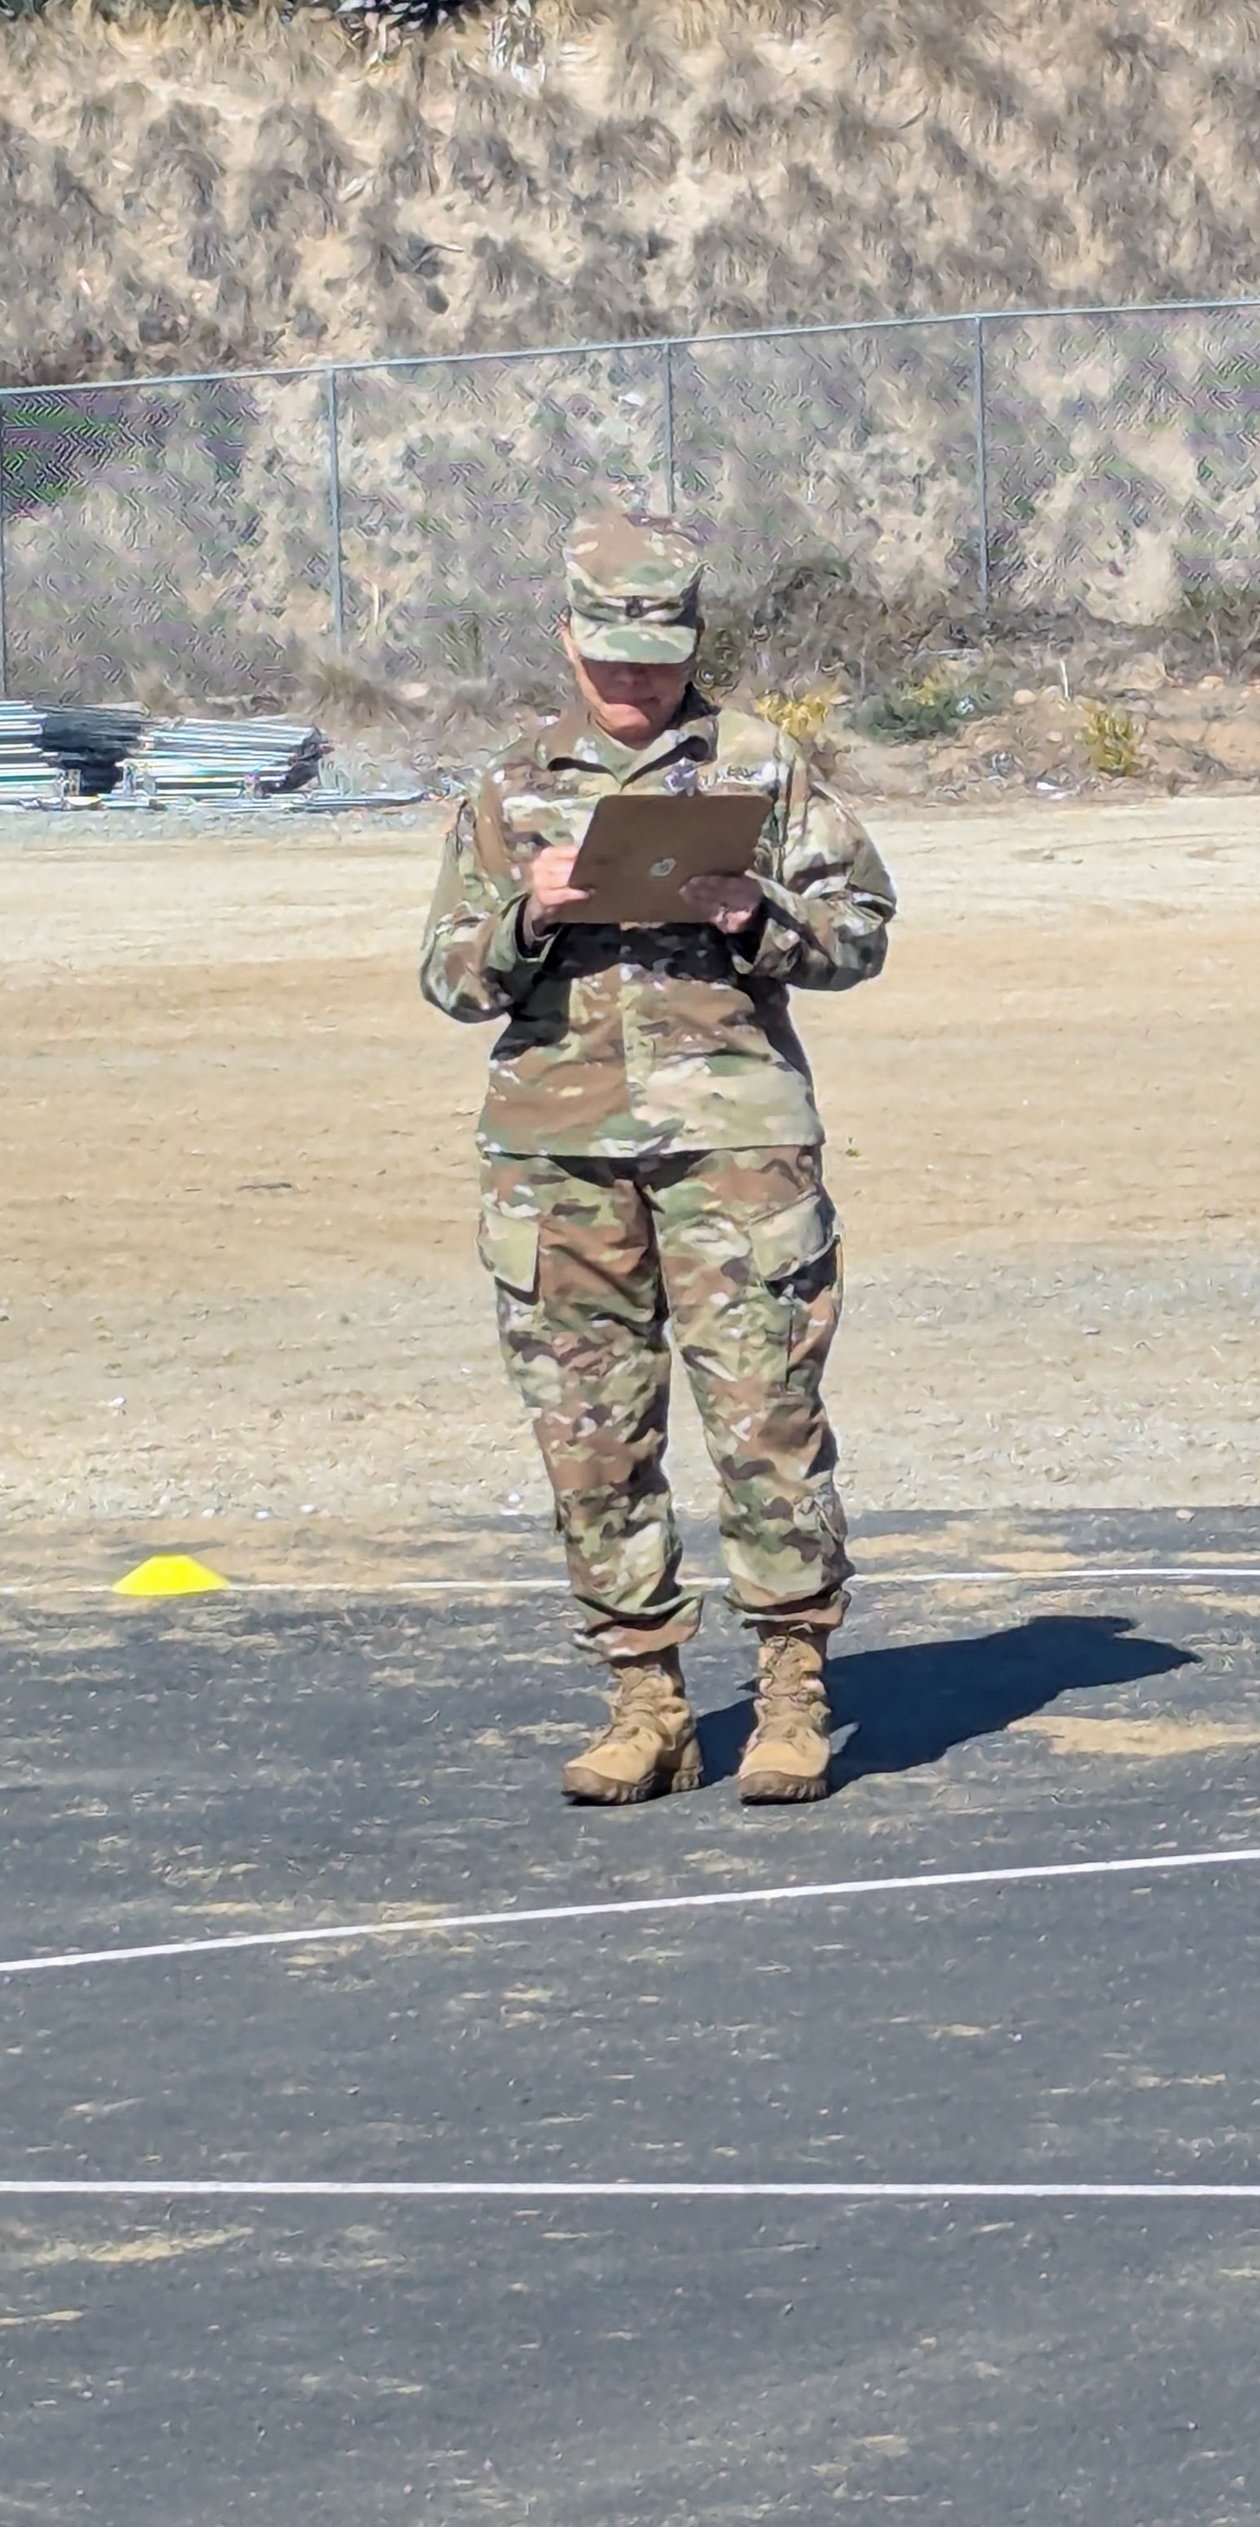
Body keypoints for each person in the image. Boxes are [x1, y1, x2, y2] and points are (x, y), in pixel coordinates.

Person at [420, 511, 896, 1809]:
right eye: (614, 658)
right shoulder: (510, 788)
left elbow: (861, 933)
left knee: (766, 1419)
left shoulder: (759, 765)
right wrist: (536, 912)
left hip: (733, 1147)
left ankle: (794, 1691)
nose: (638, 684)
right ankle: (646, 1704)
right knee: (590, 1436)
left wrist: (759, 915)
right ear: (571, 640)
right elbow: (448, 975)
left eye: (661, 658)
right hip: (559, 1157)